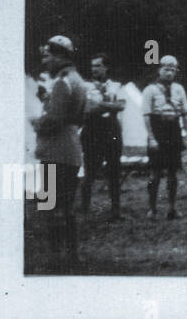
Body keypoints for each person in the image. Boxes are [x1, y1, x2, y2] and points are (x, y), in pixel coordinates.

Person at [31, 36, 85, 272]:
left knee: (50, 205)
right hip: (70, 150)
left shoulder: (63, 82)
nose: (45, 62)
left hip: (56, 151)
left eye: (47, 57)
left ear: (60, 56)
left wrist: (37, 122)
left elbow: (54, 120)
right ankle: (72, 256)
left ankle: (56, 258)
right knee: (66, 205)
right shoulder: (77, 80)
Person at [142, 55, 187, 219]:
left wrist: (186, 133)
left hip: (174, 129)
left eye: (172, 69)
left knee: (172, 172)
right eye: (166, 69)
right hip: (158, 128)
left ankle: (172, 208)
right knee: (154, 173)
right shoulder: (150, 90)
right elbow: (147, 116)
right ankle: (152, 208)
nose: (169, 73)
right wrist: (151, 138)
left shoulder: (179, 89)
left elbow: (185, 113)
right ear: (159, 70)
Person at [81, 52, 125, 220]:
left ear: (106, 67)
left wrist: (99, 104)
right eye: (92, 66)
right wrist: (109, 105)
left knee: (114, 171)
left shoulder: (116, 86)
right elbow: (87, 109)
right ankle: (85, 209)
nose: (94, 69)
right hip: (92, 130)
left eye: (98, 66)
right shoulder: (86, 87)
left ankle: (116, 210)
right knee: (90, 171)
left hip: (111, 130)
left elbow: (121, 106)